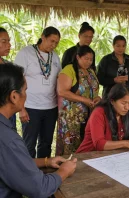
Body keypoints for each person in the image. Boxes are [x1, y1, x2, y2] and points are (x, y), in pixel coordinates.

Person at [0, 63, 77, 197]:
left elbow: (11, 161)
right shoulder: (8, 139)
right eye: (25, 90)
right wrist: (64, 171)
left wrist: (45, 161)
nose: (26, 94)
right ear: (14, 97)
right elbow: (40, 188)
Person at [14, 26, 61, 158]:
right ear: (43, 37)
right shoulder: (26, 53)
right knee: (29, 144)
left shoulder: (55, 57)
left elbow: (59, 80)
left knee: (46, 143)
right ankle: (27, 175)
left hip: (51, 108)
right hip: (30, 107)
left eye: (56, 42)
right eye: (51, 41)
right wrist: (21, 109)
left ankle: (43, 173)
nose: (54, 45)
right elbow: (17, 81)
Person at [76, 83, 129, 153]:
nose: (127, 107)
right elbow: (99, 144)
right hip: (87, 156)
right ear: (112, 101)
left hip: (110, 156)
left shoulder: (128, 112)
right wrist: (126, 143)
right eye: (123, 103)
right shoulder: (99, 113)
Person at [56, 45, 100, 156]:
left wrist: (97, 98)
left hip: (89, 114)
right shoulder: (69, 69)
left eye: (91, 59)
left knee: (85, 144)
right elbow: (62, 91)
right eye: (86, 58)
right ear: (77, 57)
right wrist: (84, 100)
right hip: (71, 116)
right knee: (71, 144)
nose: (89, 61)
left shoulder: (91, 72)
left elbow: (94, 90)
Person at [97, 35, 129, 103]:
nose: (121, 48)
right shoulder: (106, 60)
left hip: (128, 96)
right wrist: (113, 80)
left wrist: (127, 79)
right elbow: (99, 79)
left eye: (123, 46)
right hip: (110, 96)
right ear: (113, 46)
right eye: (118, 46)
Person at [0, 27, 16, 130]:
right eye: (4, 41)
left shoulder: (8, 65)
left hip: (9, 114)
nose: (9, 45)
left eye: (9, 41)